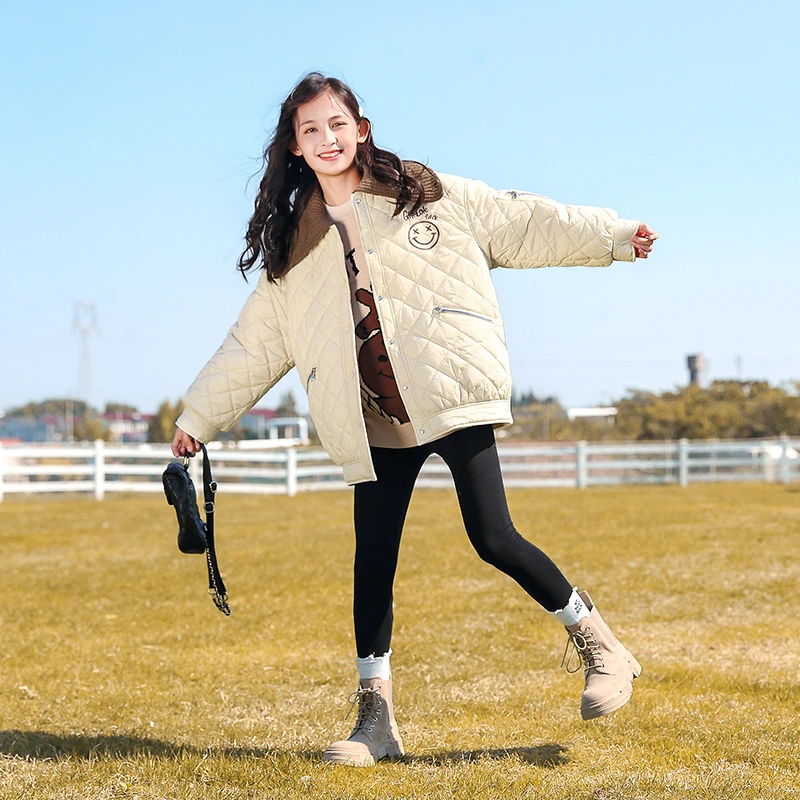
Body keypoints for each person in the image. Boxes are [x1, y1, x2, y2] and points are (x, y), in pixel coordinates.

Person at [172, 72, 657, 767]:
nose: (327, 138)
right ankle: (377, 723)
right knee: (372, 567)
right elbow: (253, 345)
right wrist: (198, 417)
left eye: (336, 124)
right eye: (310, 130)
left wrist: (612, 235)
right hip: (372, 420)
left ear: (360, 128)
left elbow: (521, 219)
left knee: (493, 536)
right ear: (296, 147)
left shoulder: (425, 193)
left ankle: (601, 644)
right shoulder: (292, 250)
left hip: (449, 392)